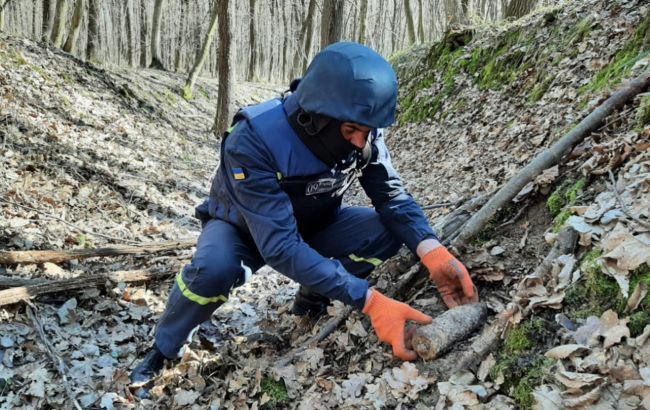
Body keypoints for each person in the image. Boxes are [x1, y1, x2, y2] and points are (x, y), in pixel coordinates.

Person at [130, 41, 478, 385]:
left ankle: (314, 295)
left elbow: (392, 196)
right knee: (212, 272)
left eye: (368, 131)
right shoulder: (254, 139)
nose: (361, 142)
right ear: (316, 116)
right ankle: (165, 347)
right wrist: (370, 301)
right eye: (351, 131)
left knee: (387, 231)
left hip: (318, 222)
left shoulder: (361, 121)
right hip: (243, 230)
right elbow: (280, 246)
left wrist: (432, 250)